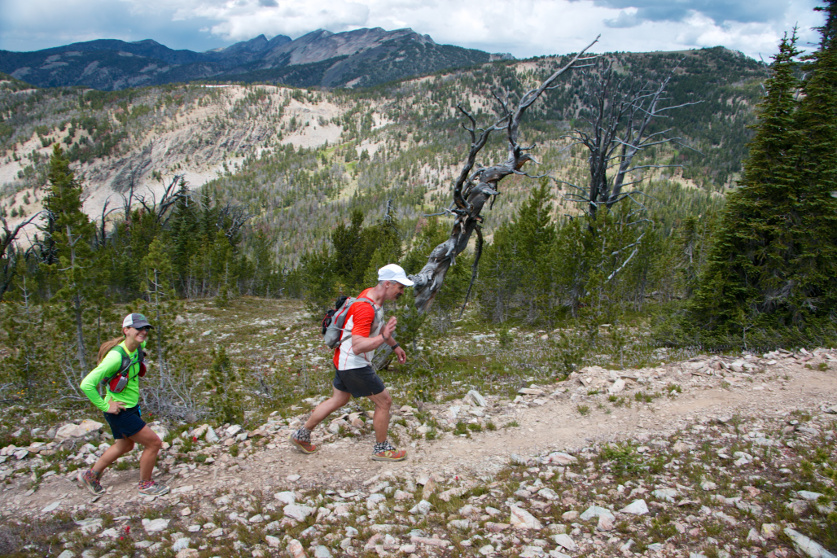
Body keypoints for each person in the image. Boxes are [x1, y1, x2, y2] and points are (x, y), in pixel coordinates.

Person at [291, 264, 413, 461]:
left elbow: (378, 327)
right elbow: (358, 345)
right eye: (400, 286)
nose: (402, 291)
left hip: (343, 359)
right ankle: (382, 449)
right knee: (385, 402)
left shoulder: (372, 296)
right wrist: (384, 338)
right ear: (388, 284)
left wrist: (394, 345)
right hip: (354, 364)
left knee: (338, 399)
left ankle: (301, 435)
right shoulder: (366, 307)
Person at [78, 313, 170, 496]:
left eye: (145, 329)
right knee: (154, 444)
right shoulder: (115, 357)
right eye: (138, 328)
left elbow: (140, 346)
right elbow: (86, 384)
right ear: (126, 330)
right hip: (120, 411)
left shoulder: (137, 346)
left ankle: (91, 476)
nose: (143, 332)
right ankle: (146, 485)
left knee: (125, 446)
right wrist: (105, 406)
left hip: (130, 407)